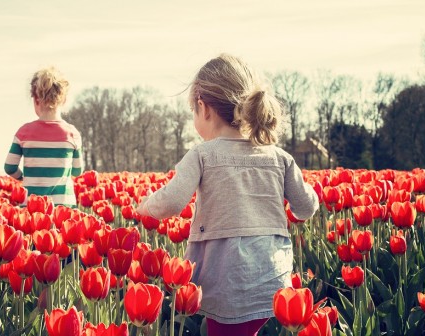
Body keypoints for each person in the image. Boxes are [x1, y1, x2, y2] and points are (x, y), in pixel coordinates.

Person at [136, 54, 318, 336]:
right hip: (272, 277)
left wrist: (145, 206)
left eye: (194, 113)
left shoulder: (202, 155)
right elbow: (305, 207)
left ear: (203, 107)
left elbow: (171, 202)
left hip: (225, 280)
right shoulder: (280, 158)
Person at [4, 67, 83, 208]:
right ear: (64, 100)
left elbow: (9, 167)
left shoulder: (24, 132)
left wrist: (24, 178)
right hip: (63, 206)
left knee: (35, 230)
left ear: (35, 100)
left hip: (32, 205)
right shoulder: (72, 133)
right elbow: (78, 171)